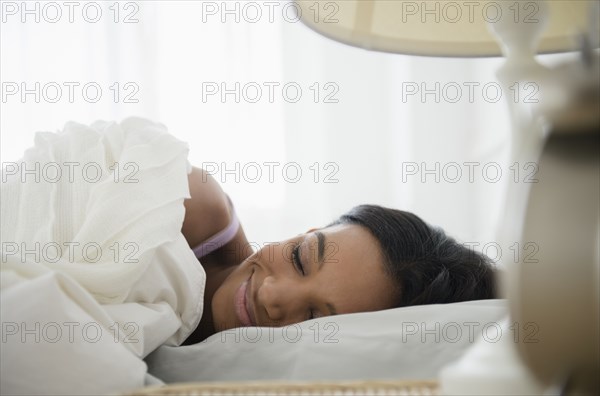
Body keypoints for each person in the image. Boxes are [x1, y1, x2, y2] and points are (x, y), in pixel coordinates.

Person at [181, 167, 497, 344]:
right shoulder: (194, 206)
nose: (271, 295)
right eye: (299, 259)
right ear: (308, 231)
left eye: (314, 318)